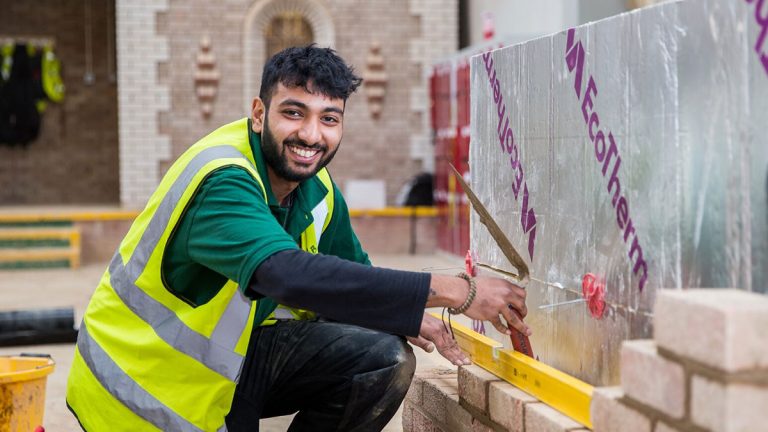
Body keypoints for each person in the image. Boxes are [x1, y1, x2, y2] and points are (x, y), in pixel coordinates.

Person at [66, 45, 530, 432]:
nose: (311, 134)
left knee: (382, 356)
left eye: (329, 118)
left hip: (230, 370)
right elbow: (286, 274)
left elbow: (352, 277)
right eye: (294, 113)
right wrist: (455, 291)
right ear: (258, 113)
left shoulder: (317, 188)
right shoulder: (222, 177)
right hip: (141, 392)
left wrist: (401, 314)